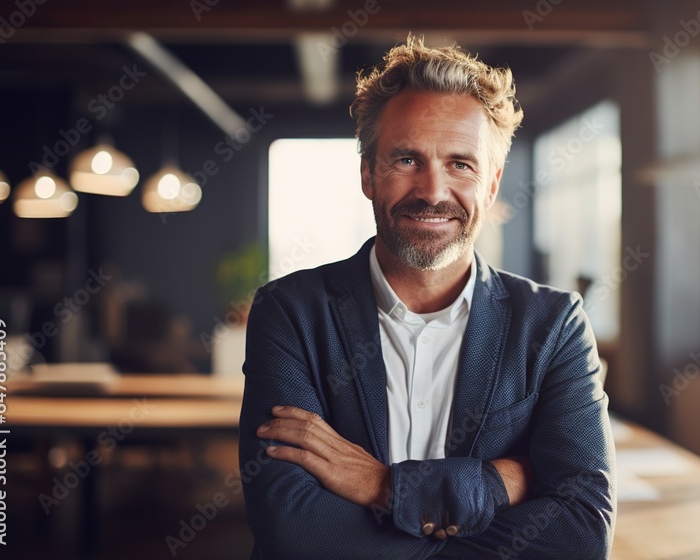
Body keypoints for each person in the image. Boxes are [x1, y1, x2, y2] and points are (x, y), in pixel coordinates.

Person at [239, 35, 615, 559]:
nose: (433, 191)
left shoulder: (554, 324)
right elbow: (293, 531)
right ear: (368, 173)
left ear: (491, 183)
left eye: (461, 163)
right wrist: (497, 483)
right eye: (407, 159)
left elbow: (579, 535)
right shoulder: (290, 311)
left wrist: (385, 487)